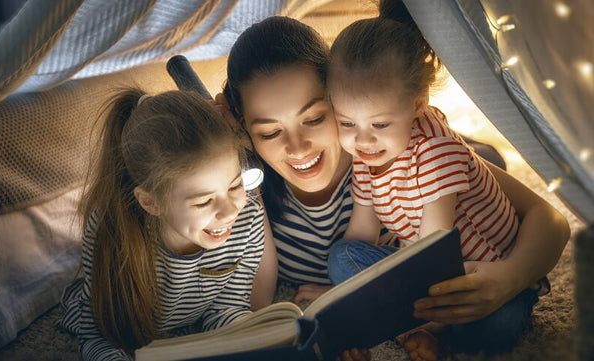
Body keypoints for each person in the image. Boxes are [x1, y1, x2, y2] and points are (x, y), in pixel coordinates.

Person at [220, 14, 569, 361]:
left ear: (340, 94)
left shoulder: (404, 150)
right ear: (245, 130)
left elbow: (551, 219)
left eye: (314, 118)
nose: (298, 148)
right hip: (405, 280)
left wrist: (509, 279)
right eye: (269, 132)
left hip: (466, 238)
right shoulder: (248, 182)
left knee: (497, 319)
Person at [323, 1, 569, 360]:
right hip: (430, 270)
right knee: (341, 257)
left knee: (495, 327)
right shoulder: (366, 154)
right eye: (347, 123)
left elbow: (432, 253)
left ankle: (420, 326)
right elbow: (361, 233)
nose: (362, 140)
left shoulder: (436, 151)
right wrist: (337, 299)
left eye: (379, 125)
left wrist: (396, 311)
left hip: (485, 270)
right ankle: (422, 323)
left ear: (417, 104)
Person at [57, 88, 271, 360]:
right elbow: (99, 333)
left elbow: (226, 307)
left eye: (235, 186)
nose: (230, 211)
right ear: (151, 203)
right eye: (203, 202)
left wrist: (255, 339)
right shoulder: (112, 231)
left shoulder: (248, 220)